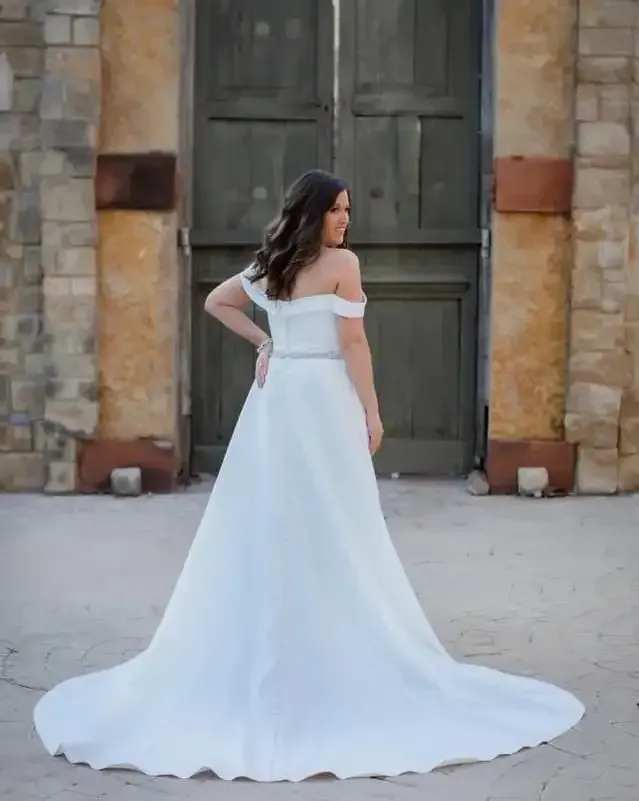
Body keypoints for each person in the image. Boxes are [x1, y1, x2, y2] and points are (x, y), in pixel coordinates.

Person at [33, 169, 584, 782]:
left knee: (283, 518)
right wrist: (373, 413)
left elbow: (219, 302)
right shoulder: (341, 265)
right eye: (338, 209)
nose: (347, 219)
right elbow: (355, 346)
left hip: (279, 396)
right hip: (322, 396)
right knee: (331, 523)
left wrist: (265, 343)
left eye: (349, 209)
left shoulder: (271, 264)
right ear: (314, 211)